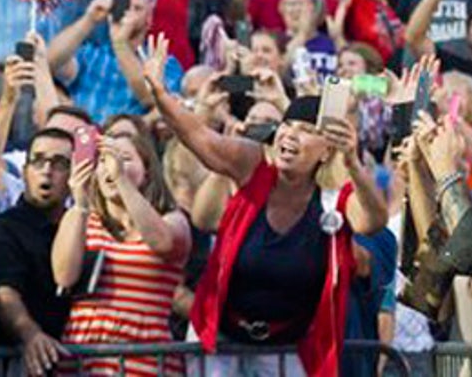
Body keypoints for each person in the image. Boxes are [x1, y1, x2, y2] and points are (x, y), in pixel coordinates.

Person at [143, 33, 388, 376]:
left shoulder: (334, 198)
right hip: (221, 342)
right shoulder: (252, 164)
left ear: (326, 149)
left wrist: (353, 162)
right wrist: (160, 92)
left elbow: (372, 221)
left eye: (305, 130)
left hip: (287, 347)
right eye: (287, 126)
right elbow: (200, 139)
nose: (290, 135)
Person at [52, 130, 190, 375]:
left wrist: (122, 180)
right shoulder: (82, 219)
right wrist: (81, 206)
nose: (111, 167)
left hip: (146, 359)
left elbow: (163, 243)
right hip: (85, 357)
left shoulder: (172, 219)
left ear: (147, 169)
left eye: (123, 158)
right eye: (102, 160)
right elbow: (64, 276)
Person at [0, 128, 75, 377]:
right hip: (10, 365)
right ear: (25, 170)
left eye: (59, 163)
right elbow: (3, 293)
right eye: (38, 160)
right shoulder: (1, 229)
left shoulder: (82, 230)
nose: (47, 170)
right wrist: (30, 334)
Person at [48, 0, 183, 124]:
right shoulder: (92, 55)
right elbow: (50, 62)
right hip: (81, 136)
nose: (128, 14)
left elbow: (152, 99)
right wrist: (89, 19)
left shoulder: (164, 61)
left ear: (149, 20)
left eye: (137, 8)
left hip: (127, 141)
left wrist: (120, 43)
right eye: (124, 6)